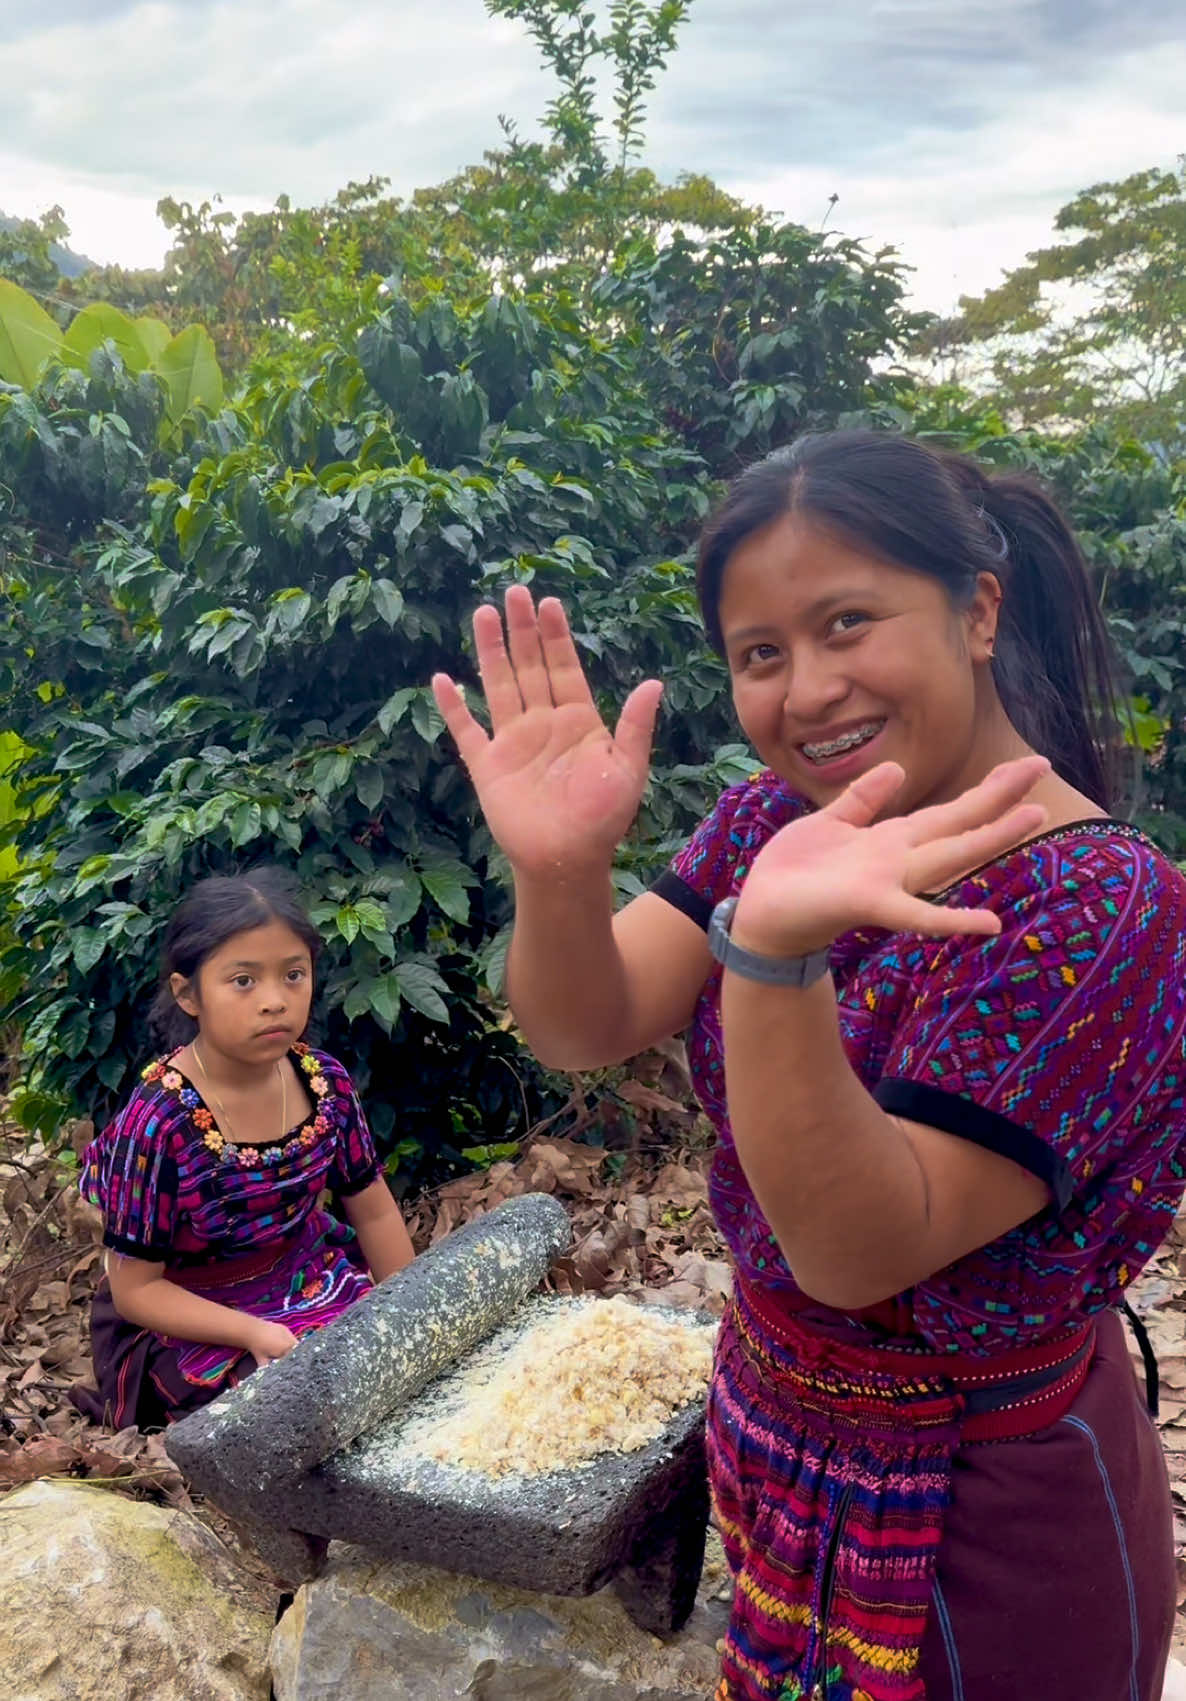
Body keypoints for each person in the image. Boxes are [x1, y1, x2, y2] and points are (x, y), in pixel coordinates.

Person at [431, 430, 1185, 1701]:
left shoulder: (1102, 906)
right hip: (784, 1439)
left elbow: (856, 1248)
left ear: (978, 611)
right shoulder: (772, 821)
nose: (809, 688)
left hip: (985, 1508)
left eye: (848, 622)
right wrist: (558, 872)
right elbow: (587, 1021)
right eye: (760, 654)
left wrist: (778, 957)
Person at [72, 868, 414, 1429]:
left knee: (382, 1366)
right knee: (284, 1411)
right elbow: (136, 1290)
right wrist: (254, 1333)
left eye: (294, 975)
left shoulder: (324, 1084)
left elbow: (372, 1206)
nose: (275, 1002)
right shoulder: (158, 1122)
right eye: (244, 981)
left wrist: (411, 1308)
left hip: (305, 1278)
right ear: (188, 994)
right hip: (187, 1316)